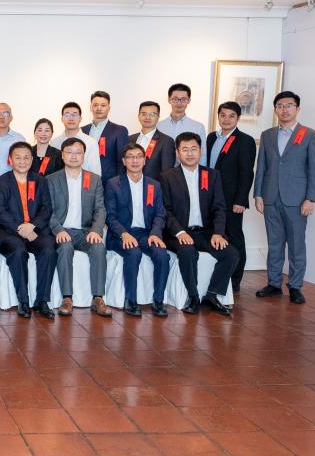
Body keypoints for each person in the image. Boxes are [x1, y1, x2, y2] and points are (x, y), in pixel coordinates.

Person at [254, 91, 315, 305]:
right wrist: (258, 194)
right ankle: (274, 284)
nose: (284, 110)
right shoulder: (268, 135)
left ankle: (295, 286)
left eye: (289, 105)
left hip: (297, 200)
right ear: (275, 109)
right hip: (271, 197)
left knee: (296, 245)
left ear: (297, 109)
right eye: (280, 106)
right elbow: (261, 166)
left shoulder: (310, 135)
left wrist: (311, 198)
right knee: (274, 243)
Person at [160, 132, 238, 316]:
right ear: (177, 153)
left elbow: (219, 207)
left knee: (231, 254)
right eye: (185, 149)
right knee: (188, 252)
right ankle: (193, 297)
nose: (190, 153)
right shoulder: (167, 176)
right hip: (179, 233)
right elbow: (165, 210)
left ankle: (212, 294)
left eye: (194, 149)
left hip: (206, 233)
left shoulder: (212, 175)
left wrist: (218, 232)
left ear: (201, 151)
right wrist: (179, 232)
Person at [0, 142, 56, 319]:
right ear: (10, 160)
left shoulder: (40, 180)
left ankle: (42, 301)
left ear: (32, 159)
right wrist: (20, 228)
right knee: (18, 251)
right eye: (18, 157)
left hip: (34, 230)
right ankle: (23, 301)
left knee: (49, 249)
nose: (22, 161)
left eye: (26, 157)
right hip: (9, 232)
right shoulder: (0, 182)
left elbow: (47, 208)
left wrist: (32, 225)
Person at [46, 137, 109, 316]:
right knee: (65, 248)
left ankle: (98, 298)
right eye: (69, 152)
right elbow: (47, 210)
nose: (74, 156)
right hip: (62, 230)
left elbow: (100, 209)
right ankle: (67, 298)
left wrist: (96, 231)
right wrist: (58, 230)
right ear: (62, 155)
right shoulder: (51, 179)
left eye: (78, 153)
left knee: (98, 247)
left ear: (84, 155)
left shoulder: (94, 179)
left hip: (85, 232)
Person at [105, 143, 170, 317]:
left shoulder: (154, 185)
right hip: (120, 234)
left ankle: (158, 300)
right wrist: (124, 234)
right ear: (124, 161)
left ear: (144, 160)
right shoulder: (113, 184)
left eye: (139, 156)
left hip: (145, 234)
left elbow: (160, 214)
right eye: (130, 157)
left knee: (162, 255)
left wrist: (155, 233)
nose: (135, 161)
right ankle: (131, 300)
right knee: (133, 253)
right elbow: (110, 216)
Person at [207, 101, 257, 293]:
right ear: (218, 116)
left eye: (231, 116)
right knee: (214, 233)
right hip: (210, 195)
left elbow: (247, 173)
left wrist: (241, 200)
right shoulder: (211, 137)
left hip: (232, 198)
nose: (226, 119)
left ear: (238, 118)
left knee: (234, 236)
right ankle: (218, 274)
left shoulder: (245, 141)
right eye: (223, 115)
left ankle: (235, 279)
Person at [82, 91, 130, 183]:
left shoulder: (119, 131)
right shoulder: (82, 130)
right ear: (90, 107)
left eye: (103, 105)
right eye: (95, 105)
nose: (99, 108)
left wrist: (118, 184)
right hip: (85, 181)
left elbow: (122, 161)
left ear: (109, 108)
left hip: (110, 182)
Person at [51, 102, 101, 174]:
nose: (71, 118)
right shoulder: (54, 142)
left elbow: (95, 172)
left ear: (80, 118)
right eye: (67, 115)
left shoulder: (91, 142)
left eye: (74, 115)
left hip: (84, 180)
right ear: (62, 119)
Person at [133, 101, 175, 180]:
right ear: (138, 116)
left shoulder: (166, 141)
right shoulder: (129, 139)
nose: (147, 117)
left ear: (158, 117)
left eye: (152, 114)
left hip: (154, 186)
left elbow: (167, 172)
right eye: (144, 114)